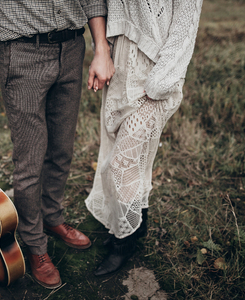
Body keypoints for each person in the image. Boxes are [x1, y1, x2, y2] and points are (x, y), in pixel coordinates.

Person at [0, 0, 114, 289]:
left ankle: (52, 217)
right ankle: (35, 245)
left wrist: (101, 48)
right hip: (22, 52)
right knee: (30, 159)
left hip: (72, 48)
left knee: (61, 150)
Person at [85, 0, 203, 276]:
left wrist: (159, 83)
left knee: (123, 163)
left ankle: (123, 244)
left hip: (156, 74)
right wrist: (104, 52)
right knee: (128, 155)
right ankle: (137, 224)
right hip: (121, 66)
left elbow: (184, 29)